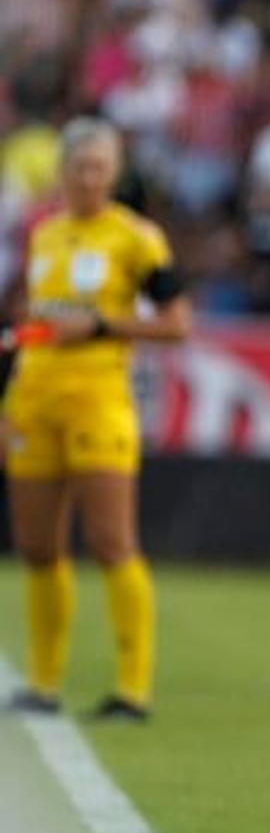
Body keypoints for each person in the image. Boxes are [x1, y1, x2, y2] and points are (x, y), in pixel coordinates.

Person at [4, 118, 191, 721]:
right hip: (35, 399)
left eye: (99, 169)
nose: (88, 179)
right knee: (36, 546)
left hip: (99, 401)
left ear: (113, 174)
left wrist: (103, 327)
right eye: (79, 168)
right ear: (60, 173)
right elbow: (45, 324)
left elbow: (177, 322)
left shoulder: (137, 238)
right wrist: (17, 365)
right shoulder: (46, 234)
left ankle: (132, 689)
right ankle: (44, 683)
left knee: (111, 541)